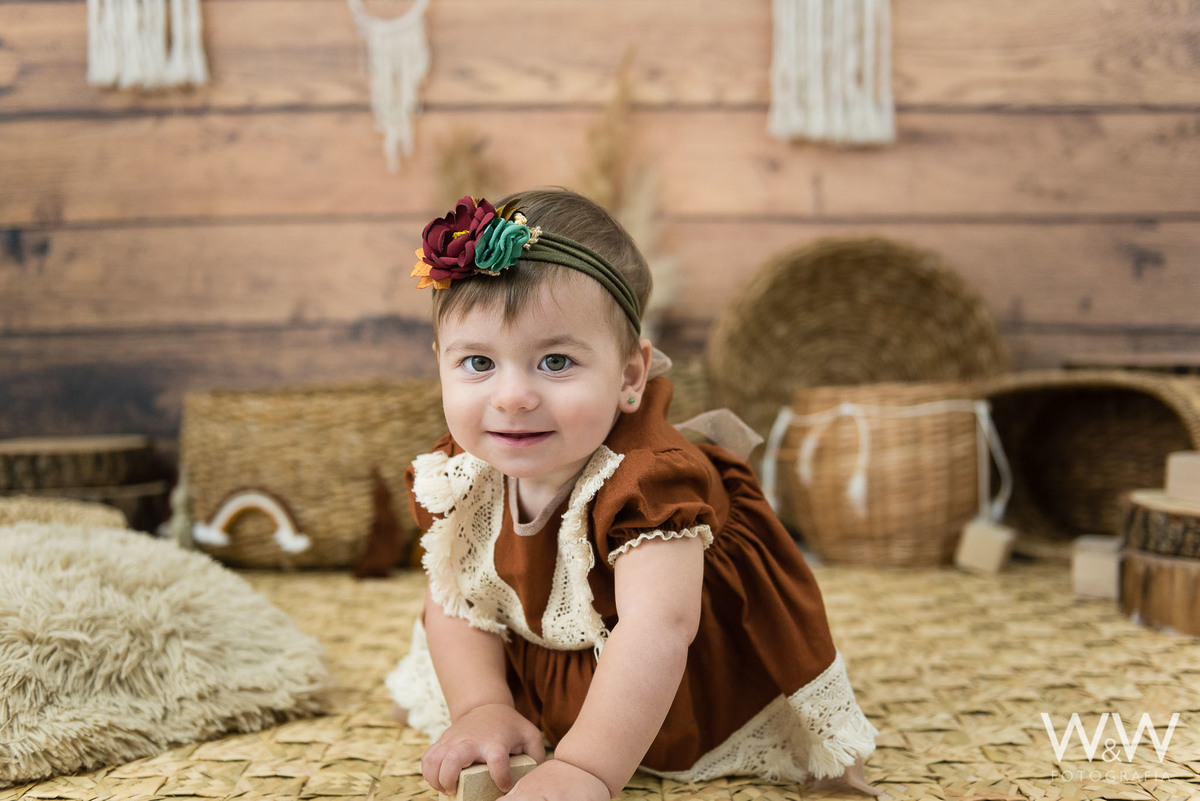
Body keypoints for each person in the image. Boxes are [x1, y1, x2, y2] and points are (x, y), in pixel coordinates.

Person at [387, 189, 878, 800]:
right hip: (548, 634)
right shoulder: (466, 470)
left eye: (557, 361)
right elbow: (458, 599)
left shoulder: (649, 486)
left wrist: (585, 770)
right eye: (479, 363)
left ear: (630, 376)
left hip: (666, 672)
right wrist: (481, 705)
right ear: (440, 364)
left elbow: (658, 631)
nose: (512, 397)